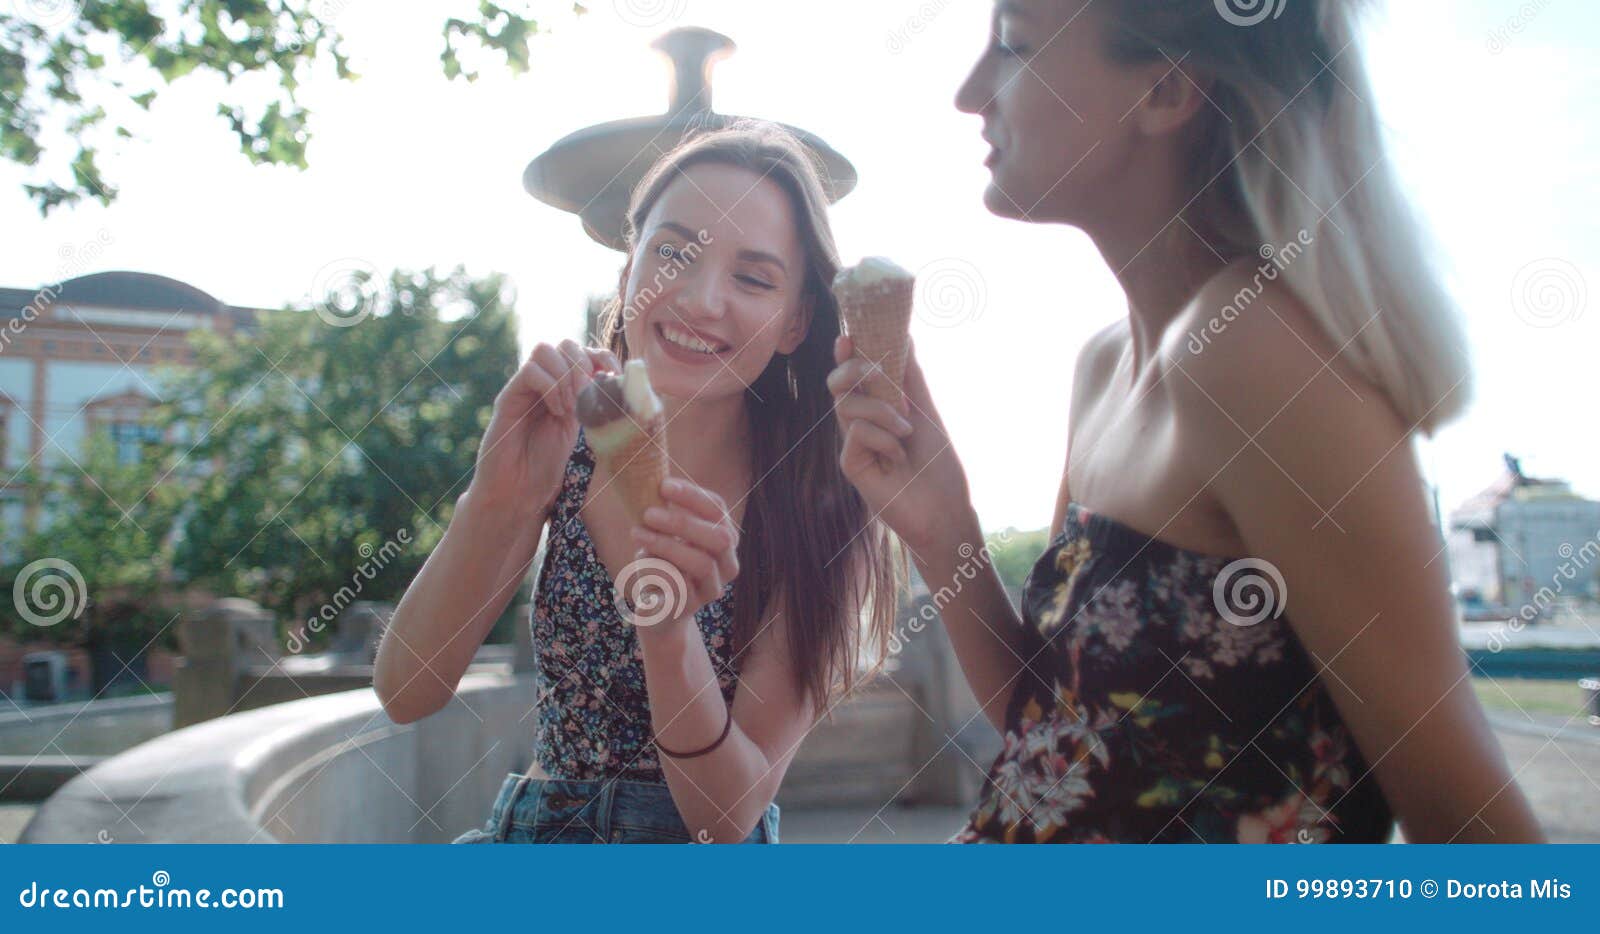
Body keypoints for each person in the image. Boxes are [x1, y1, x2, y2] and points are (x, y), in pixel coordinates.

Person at [828, 0, 1543, 842]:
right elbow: (1051, 720)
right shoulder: (1104, 366)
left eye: (1015, 45)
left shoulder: (1262, 356)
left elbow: (1475, 833)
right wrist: (945, 528)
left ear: (1166, 90)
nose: (969, 91)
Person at [376, 122, 900, 844]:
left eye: (753, 277)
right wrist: (499, 498)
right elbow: (406, 692)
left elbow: (726, 816)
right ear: (629, 275)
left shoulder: (818, 500)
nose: (699, 298)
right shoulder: (567, 446)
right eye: (672, 252)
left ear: (794, 321)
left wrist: (667, 624)